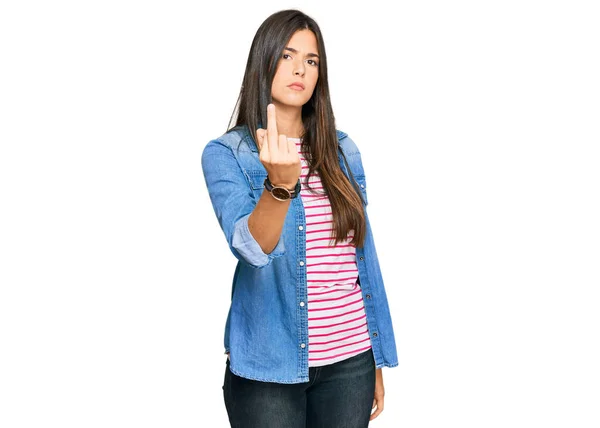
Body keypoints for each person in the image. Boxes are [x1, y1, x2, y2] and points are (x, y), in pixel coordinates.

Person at [201, 9, 398, 428]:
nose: (300, 69)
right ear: (264, 60)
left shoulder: (342, 150)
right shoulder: (226, 154)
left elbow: (362, 261)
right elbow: (252, 249)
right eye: (288, 56)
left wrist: (376, 358)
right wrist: (280, 186)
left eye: (311, 61)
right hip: (268, 365)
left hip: (350, 358)